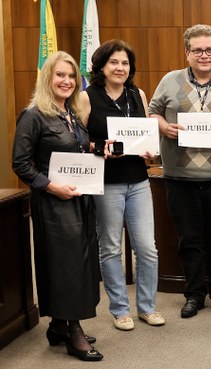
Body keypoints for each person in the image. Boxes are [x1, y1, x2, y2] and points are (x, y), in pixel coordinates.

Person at [148, 24, 211, 319]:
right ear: (187, 52)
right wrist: (164, 126)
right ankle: (193, 295)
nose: (204, 55)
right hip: (180, 177)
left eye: (210, 50)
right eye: (198, 50)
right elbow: (152, 113)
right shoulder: (169, 81)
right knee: (188, 240)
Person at [12, 51, 103, 361]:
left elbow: (73, 150)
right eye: (60, 75)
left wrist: (94, 149)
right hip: (54, 204)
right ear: (47, 79)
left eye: (71, 76)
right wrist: (51, 186)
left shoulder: (71, 114)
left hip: (79, 200)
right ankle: (74, 332)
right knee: (68, 267)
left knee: (76, 261)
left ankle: (58, 326)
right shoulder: (33, 115)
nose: (66, 81)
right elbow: (21, 164)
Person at [80, 39, 164, 330]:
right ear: (101, 66)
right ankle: (120, 310)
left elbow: (144, 135)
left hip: (139, 180)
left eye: (125, 63)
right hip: (107, 183)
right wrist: (97, 146)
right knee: (111, 248)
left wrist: (151, 150)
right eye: (114, 62)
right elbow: (77, 140)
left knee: (147, 248)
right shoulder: (87, 97)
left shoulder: (137, 94)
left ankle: (147, 307)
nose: (120, 68)